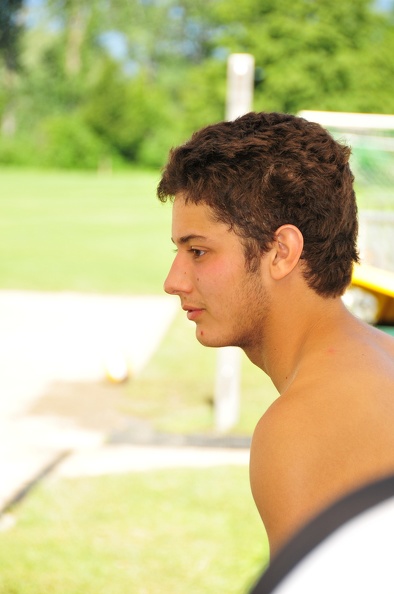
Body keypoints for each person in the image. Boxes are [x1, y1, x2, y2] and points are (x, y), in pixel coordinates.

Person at [156, 111, 394, 558]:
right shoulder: (383, 357)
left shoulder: (301, 430)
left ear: (281, 252)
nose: (174, 280)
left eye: (198, 251)